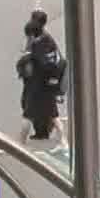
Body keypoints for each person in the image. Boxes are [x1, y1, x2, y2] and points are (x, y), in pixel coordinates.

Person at [17, 11, 66, 145]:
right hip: (48, 84)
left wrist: (28, 58)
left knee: (28, 114)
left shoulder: (38, 46)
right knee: (53, 114)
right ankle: (63, 141)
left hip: (38, 85)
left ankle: (20, 143)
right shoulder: (48, 40)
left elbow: (41, 64)